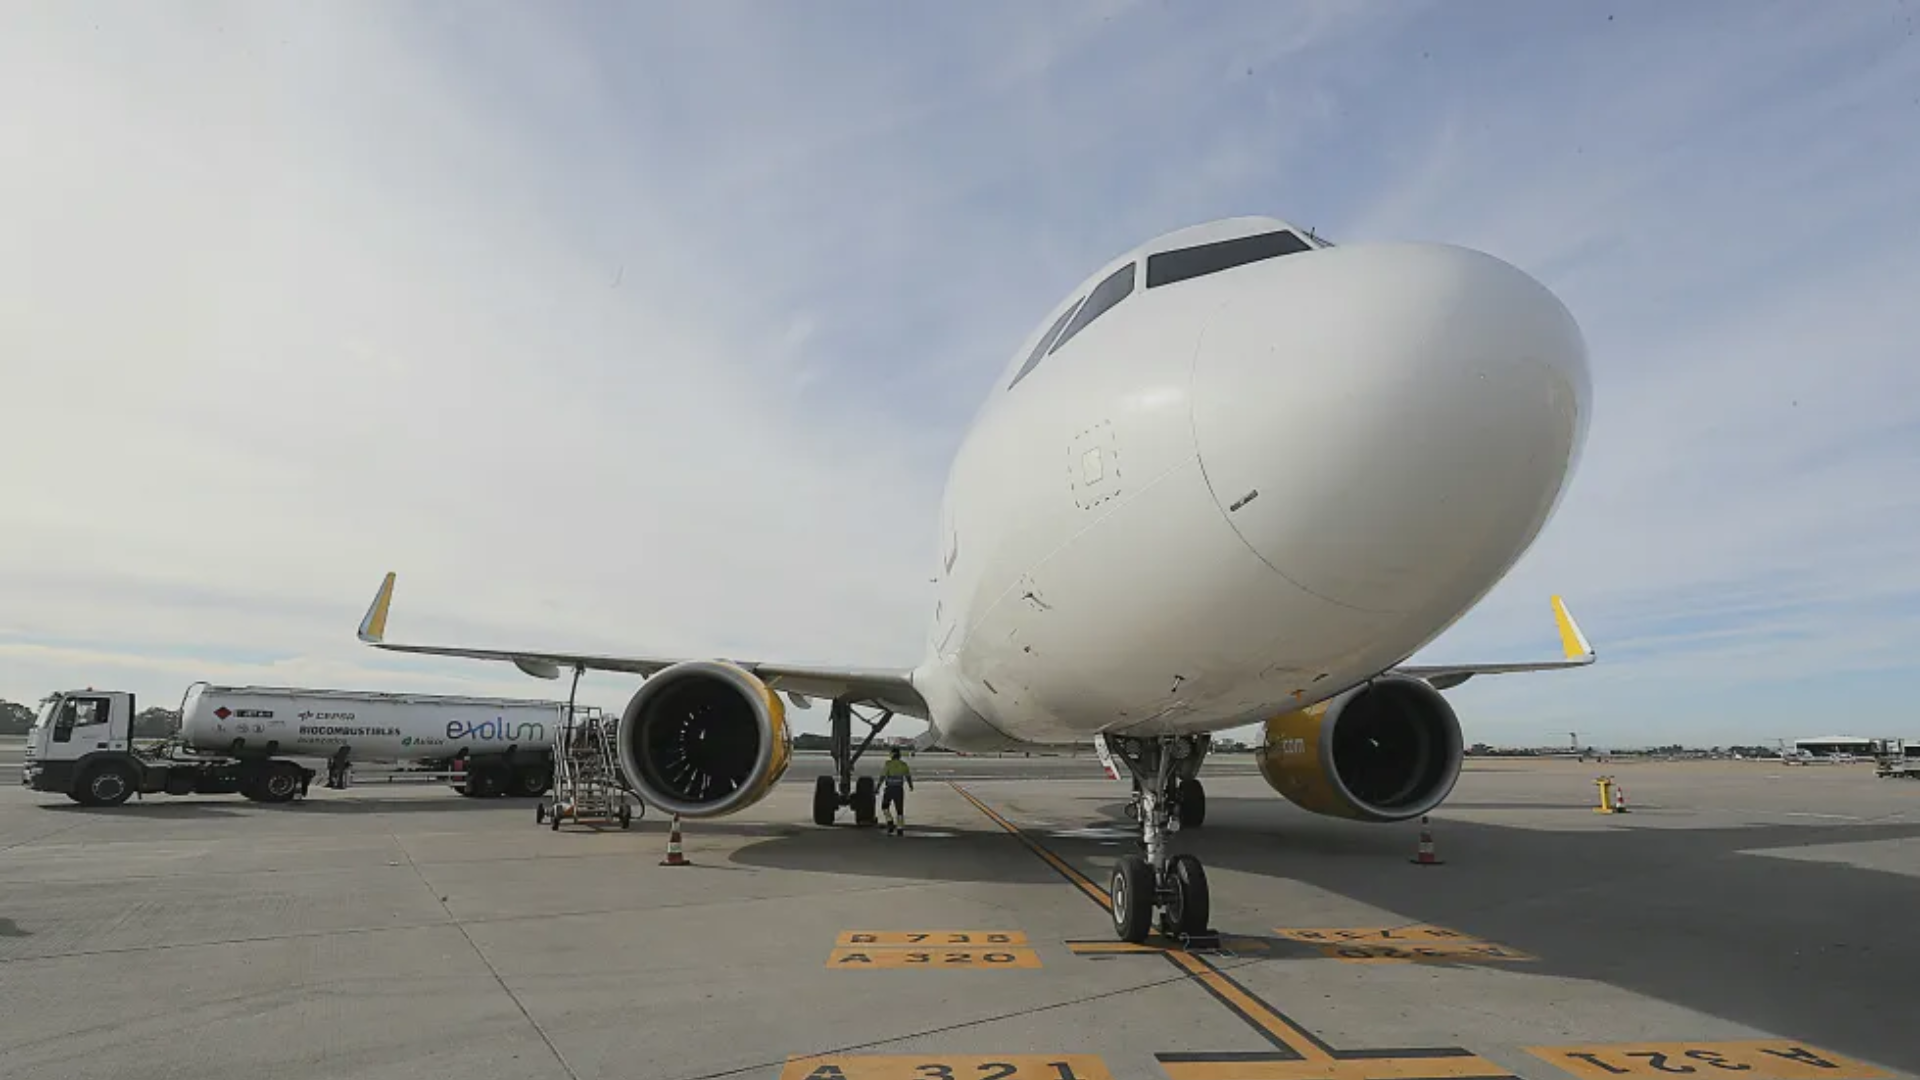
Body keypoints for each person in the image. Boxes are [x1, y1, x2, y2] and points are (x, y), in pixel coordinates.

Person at [880, 747, 914, 835]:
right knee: (899, 809)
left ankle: (890, 821)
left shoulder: (888, 764)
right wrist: (910, 785)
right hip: (899, 789)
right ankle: (900, 828)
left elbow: (883, 776)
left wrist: (877, 787)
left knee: (884, 807)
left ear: (893, 754)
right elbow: (908, 776)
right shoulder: (903, 765)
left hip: (890, 789)